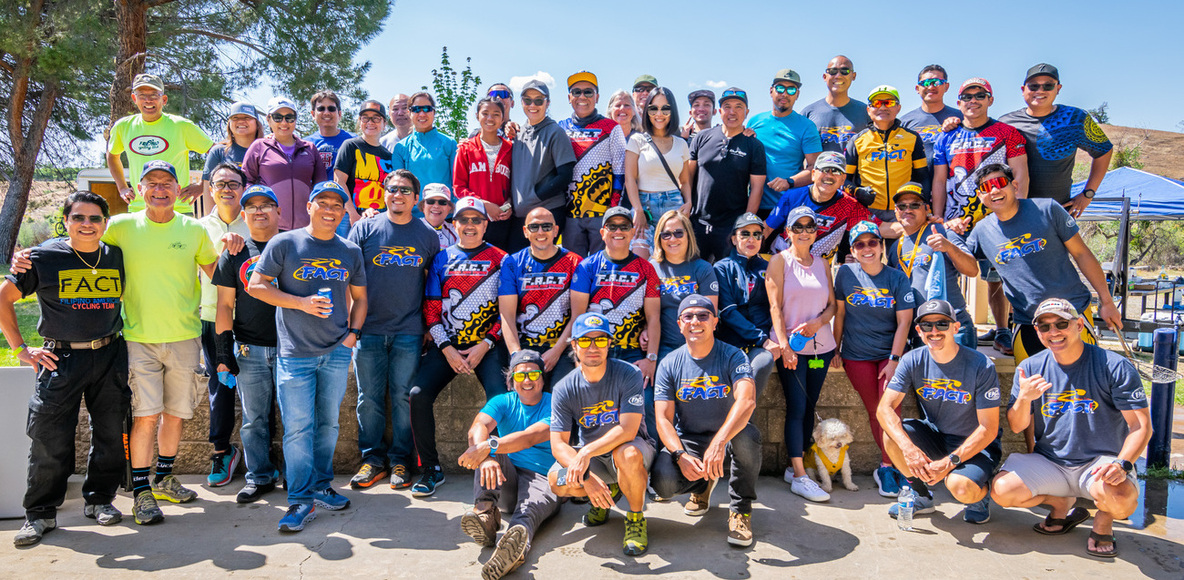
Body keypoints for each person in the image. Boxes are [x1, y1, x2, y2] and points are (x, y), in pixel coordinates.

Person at [4, 192, 127, 546]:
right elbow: (3, 298)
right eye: (78, 218)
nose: (87, 224)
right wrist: (21, 349)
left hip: (109, 353)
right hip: (61, 359)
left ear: (105, 223)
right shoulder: (43, 258)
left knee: (110, 432)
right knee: (49, 438)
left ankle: (100, 499)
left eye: (95, 218)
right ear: (66, 221)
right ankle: (40, 513)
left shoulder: (115, 255)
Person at [248, 180, 368, 533]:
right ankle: (300, 500)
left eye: (337, 205)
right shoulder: (285, 243)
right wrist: (301, 303)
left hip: (336, 352)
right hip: (295, 354)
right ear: (309, 206)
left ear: (343, 211)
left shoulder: (350, 250)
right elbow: (256, 285)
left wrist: (353, 335)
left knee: (328, 424)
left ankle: (320, 485)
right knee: (298, 429)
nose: (330, 210)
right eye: (323, 203)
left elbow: (360, 298)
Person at [992, 298, 1149, 558]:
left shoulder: (1113, 365)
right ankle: (1060, 503)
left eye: (1061, 324)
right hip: (1051, 461)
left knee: (1121, 502)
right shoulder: (1029, 368)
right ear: (1037, 332)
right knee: (1002, 491)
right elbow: (1017, 425)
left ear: (1079, 325)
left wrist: (1122, 464)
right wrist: (1024, 399)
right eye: (1044, 327)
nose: (1053, 332)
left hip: (1100, 463)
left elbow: (1141, 426)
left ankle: (1104, 519)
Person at [950, 165, 1122, 363]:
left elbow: (1082, 254)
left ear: (1014, 186)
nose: (994, 190)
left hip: (1071, 314)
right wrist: (951, 231)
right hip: (1027, 323)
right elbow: (965, 263)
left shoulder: (1047, 209)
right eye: (986, 187)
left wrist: (1107, 301)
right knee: (1031, 380)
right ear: (981, 196)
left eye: (1000, 182)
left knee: (1084, 378)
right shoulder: (981, 231)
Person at [409, 197, 510, 498]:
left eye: (476, 220)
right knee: (417, 395)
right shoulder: (441, 259)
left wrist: (485, 344)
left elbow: (507, 312)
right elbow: (431, 311)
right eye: (463, 220)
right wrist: (447, 349)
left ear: (485, 224)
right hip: (448, 346)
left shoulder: (502, 259)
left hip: (487, 347)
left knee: (501, 400)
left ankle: (502, 467)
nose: (470, 225)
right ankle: (431, 469)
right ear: (454, 224)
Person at [347, 169, 440, 491]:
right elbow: (348, 277)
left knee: (403, 398)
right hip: (368, 329)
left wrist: (428, 326)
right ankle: (372, 460)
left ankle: (401, 460)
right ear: (384, 193)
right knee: (368, 398)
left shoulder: (427, 235)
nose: (398, 194)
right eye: (392, 189)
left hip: (408, 330)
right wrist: (351, 326)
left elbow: (431, 283)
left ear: (416, 199)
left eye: (405, 190)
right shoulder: (364, 228)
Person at [650, 295, 761, 546]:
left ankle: (740, 511)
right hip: (691, 439)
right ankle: (702, 487)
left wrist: (719, 442)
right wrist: (679, 454)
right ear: (680, 324)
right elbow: (663, 419)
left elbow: (747, 401)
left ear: (715, 322)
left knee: (747, 436)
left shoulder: (733, 355)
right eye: (688, 316)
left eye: (703, 315)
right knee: (663, 483)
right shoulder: (669, 363)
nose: (695, 321)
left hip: (728, 438)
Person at [878, 299, 1002, 525]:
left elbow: (989, 428)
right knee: (892, 436)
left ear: (956, 327)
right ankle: (921, 496)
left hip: (977, 445)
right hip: (937, 436)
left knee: (960, 487)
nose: (934, 331)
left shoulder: (981, 365)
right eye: (927, 325)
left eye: (942, 324)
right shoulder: (912, 359)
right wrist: (909, 449)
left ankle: (980, 496)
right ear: (919, 330)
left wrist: (948, 463)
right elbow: (884, 408)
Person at [932, 78, 1028, 355]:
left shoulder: (1007, 133)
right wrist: (938, 217)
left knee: (999, 275)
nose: (973, 100)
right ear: (958, 102)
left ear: (990, 100)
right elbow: (939, 179)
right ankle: (955, 328)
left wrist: (1017, 213)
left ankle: (1003, 330)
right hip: (956, 221)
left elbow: (1020, 174)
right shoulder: (946, 136)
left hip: (997, 217)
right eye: (967, 96)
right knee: (949, 272)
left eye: (980, 95)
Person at [548, 312, 656, 557]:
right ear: (574, 345)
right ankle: (606, 494)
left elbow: (628, 429)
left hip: (632, 449)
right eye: (585, 340)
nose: (593, 347)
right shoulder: (564, 387)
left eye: (600, 340)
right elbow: (558, 444)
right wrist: (586, 478)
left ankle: (635, 518)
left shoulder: (629, 373)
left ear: (609, 343)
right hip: (594, 461)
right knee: (556, 480)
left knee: (627, 454)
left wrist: (585, 452)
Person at [457, 350, 560, 580]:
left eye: (533, 374)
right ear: (511, 380)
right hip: (507, 478)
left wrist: (488, 447)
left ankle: (513, 547)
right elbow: (478, 427)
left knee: (527, 513)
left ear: (542, 378)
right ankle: (485, 515)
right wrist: (486, 458)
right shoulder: (502, 401)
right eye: (520, 375)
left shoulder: (555, 403)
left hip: (543, 477)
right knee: (484, 448)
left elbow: (530, 437)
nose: (527, 380)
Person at [212, 184, 284, 504]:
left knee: (296, 418)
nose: (259, 211)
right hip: (248, 349)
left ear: (278, 211)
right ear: (243, 214)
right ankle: (260, 476)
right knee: (254, 420)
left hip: (291, 349)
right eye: (252, 206)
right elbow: (224, 305)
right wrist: (223, 353)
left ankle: (298, 476)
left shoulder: (293, 245)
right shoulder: (235, 252)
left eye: (266, 205)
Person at [832, 221, 914, 497]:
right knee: (874, 410)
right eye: (859, 244)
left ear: (881, 246)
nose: (866, 248)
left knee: (890, 410)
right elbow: (840, 315)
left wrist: (894, 360)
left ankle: (896, 466)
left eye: (872, 242)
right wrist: (835, 349)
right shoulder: (845, 274)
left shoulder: (897, 278)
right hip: (857, 356)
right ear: (853, 249)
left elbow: (904, 322)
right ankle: (888, 468)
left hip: (889, 355)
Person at [766, 207, 838, 502]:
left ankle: (795, 465)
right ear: (789, 232)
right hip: (792, 349)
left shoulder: (823, 263)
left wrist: (818, 324)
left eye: (810, 227)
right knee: (796, 407)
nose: (804, 232)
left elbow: (833, 306)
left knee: (809, 406)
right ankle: (799, 476)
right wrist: (784, 345)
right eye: (798, 227)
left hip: (822, 347)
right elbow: (774, 307)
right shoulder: (779, 261)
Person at [999, 63, 1113, 218]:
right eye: (1033, 86)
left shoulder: (1075, 118)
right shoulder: (1005, 123)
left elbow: (1104, 151)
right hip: (1014, 214)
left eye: (1048, 86)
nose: (1040, 91)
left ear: (1058, 89)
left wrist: (1088, 194)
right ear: (1023, 89)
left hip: (1059, 213)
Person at [198, 163, 250, 488]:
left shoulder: (256, 221)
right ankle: (222, 450)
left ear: (244, 188)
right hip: (212, 317)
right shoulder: (198, 228)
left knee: (261, 388)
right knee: (221, 386)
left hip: (254, 319)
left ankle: (263, 454)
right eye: (220, 184)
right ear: (210, 189)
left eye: (233, 183)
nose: (227, 189)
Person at [571, 207, 661, 386]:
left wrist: (651, 359)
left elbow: (653, 317)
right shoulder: (587, 267)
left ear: (633, 232)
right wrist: (578, 360)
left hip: (633, 351)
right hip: (595, 349)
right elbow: (577, 318)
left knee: (645, 400)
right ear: (602, 233)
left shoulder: (647, 269)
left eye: (624, 226)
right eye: (612, 226)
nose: (618, 231)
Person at [649, 210, 719, 436]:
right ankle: (663, 451)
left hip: (697, 349)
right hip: (664, 347)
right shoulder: (652, 267)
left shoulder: (703, 268)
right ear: (659, 238)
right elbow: (647, 311)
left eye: (678, 233)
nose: (673, 239)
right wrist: (644, 330)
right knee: (656, 404)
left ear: (688, 235)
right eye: (666, 234)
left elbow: (710, 315)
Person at [884, 182, 978, 348]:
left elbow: (972, 270)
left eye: (915, 205)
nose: (908, 210)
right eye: (902, 206)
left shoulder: (943, 232)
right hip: (920, 330)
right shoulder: (895, 247)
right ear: (895, 211)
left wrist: (949, 247)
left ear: (927, 209)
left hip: (951, 327)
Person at [106, 73, 213, 215]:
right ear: (134, 98)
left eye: (154, 95)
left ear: (164, 100)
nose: (148, 100)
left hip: (178, 210)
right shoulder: (123, 126)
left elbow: (216, 152)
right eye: (142, 95)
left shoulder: (181, 126)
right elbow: (112, 156)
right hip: (139, 210)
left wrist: (202, 186)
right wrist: (122, 188)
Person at [498, 207, 582, 385]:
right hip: (525, 345)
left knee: (560, 395)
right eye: (534, 227)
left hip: (563, 346)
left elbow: (578, 315)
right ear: (525, 231)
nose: (541, 232)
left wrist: (556, 351)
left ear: (556, 230)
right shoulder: (512, 263)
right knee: (525, 395)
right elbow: (507, 315)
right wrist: (517, 355)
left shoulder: (575, 262)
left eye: (547, 226)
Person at [687, 88, 767, 262]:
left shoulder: (754, 145)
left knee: (727, 274)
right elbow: (688, 178)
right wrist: (687, 207)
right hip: (697, 224)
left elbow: (757, 189)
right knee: (694, 273)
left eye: (738, 107)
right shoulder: (702, 137)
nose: (732, 112)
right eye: (727, 106)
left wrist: (744, 225)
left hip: (730, 227)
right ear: (720, 111)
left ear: (746, 112)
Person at [558, 71, 628, 257]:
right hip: (569, 213)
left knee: (602, 264)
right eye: (576, 92)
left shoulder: (611, 127)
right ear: (569, 97)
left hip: (601, 213)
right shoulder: (560, 127)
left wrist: (613, 210)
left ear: (597, 97)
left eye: (588, 92)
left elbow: (620, 170)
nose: (582, 97)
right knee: (574, 266)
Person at [713, 213, 779, 398]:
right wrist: (762, 338)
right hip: (730, 343)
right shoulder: (721, 268)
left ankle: (744, 412)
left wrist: (770, 339)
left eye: (757, 234)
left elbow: (776, 306)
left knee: (762, 364)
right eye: (745, 234)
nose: (751, 239)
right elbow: (727, 312)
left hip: (760, 345)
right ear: (734, 239)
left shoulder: (769, 266)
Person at [507, 80, 576, 254]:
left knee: (543, 262)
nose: (532, 105)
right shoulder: (517, 133)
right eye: (527, 100)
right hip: (520, 215)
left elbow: (565, 175)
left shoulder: (555, 132)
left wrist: (535, 196)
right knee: (517, 262)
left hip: (547, 211)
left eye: (538, 100)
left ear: (548, 103)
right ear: (521, 102)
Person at [242, 97, 330, 231]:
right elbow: (246, 181)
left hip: (305, 227)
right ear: (268, 119)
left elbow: (321, 186)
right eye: (278, 117)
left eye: (289, 117)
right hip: (269, 227)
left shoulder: (310, 148)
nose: (284, 122)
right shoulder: (259, 147)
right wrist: (257, 205)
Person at [625, 86, 692, 259]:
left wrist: (689, 202)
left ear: (672, 111)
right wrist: (637, 209)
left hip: (673, 205)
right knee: (640, 259)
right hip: (643, 206)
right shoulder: (637, 140)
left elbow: (685, 181)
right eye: (653, 108)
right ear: (647, 111)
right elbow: (630, 178)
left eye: (665, 108)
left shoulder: (681, 144)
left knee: (672, 261)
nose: (659, 114)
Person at [764, 151, 870, 259]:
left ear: (843, 179)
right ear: (813, 174)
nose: (829, 175)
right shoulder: (793, 196)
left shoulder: (851, 206)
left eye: (836, 171)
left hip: (820, 266)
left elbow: (875, 229)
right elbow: (767, 228)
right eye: (824, 170)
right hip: (781, 259)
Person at [844, 85, 928, 222]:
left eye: (889, 102)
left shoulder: (912, 138)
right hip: (867, 209)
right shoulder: (857, 141)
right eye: (876, 103)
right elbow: (844, 179)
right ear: (868, 109)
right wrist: (857, 192)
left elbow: (923, 177)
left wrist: (925, 205)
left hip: (904, 208)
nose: (883, 107)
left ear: (898, 108)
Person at [748, 69, 823, 216]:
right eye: (780, 88)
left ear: (797, 95)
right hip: (754, 205)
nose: (785, 94)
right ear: (771, 91)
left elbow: (815, 168)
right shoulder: (754, 121)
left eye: (791, 90)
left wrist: (789, 182)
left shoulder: (807, 126)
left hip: (790, 206)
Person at [454, 97, 515, 249]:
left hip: (501, 220)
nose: (490, 118)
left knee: (499, 260)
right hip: (473, 220)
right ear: (477, 116)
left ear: (503, 118)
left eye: (496, 114)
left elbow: (515, 185)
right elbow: (459, 187)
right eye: (485, 113)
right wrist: (483, 204)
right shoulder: (466, 148)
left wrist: (509, 205)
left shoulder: (511, 149)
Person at [334, 99, 394, 233]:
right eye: (365, 118)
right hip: (349, 216)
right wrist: (353, 214)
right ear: (360, 122)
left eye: (376, 118)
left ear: (384, 124)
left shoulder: (388, 156)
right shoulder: (350, 146)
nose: (370, 122)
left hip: (379, 217)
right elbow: (339, 181)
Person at [900, 65, 960, 199]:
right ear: (917, 88)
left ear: (946, 86)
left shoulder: (961, 118)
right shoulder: (904, 122)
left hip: (954, 190)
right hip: (917, 191)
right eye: (925, 83)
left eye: (937, 82)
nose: (931, 86)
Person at [391, 91, 458, 207]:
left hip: (444, 212)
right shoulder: (401, 148)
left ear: (434, 112)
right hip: (412, 214)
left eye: (427, 109)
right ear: (409, 113)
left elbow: (457, 183)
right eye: (416, 109)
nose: (422, 114)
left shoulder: (450, 144)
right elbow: (399, 186)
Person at [200, 101, 263, 216]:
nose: (241, 121)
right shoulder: (218, 152)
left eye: (247, 117)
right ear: (229, 123)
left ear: (257, 123)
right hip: (229, 219)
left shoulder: (267, 151)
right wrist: (212, 220)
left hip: (261, 215)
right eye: (235, 118)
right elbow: (208, 190)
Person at [801, 56, 869, 154]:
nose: (838, 76)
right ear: (825, 77)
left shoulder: (866, 113)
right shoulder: (808, 113)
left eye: (844, 71)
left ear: (853, 76)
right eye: (833, 71)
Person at [304, 90, 354, 180]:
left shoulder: (354, 142)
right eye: (321, 109)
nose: (326, 113)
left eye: (331, 109)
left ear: (339, 114)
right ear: (313, 114)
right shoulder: (304, 145)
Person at [420, 183, 458, 249]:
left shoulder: (457, 232)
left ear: (449, 208)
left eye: (442, 202)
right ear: (423, 206)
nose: (436, 206)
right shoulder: (411, 228)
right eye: (430, 201)